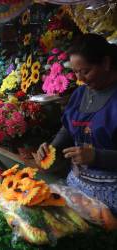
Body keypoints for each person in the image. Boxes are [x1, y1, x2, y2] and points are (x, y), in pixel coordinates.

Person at [36, 34, 117, 215]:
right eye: (76, 72)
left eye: (86, 71)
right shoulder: (81, 93)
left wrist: (97, 156)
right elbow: (68, 127)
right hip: (78, 191)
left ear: (105, 63)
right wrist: (52, 148)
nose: (81, 79)